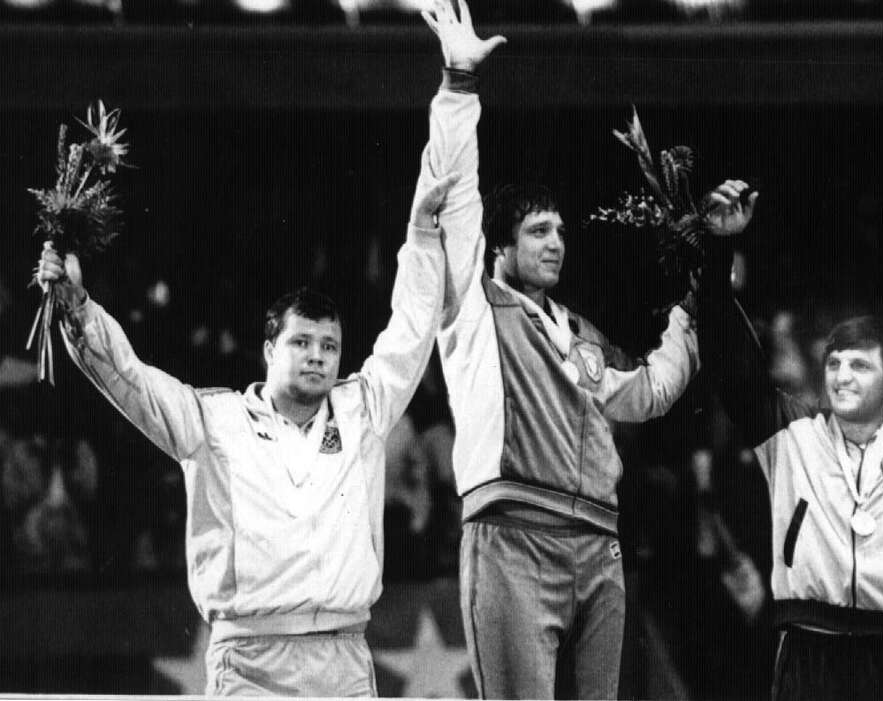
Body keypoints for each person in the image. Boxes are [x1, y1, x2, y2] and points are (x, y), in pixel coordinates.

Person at [416, 2, 748, 697]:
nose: (556, 242)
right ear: (500, 248)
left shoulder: (579, 333)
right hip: (512, 539)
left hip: (600, 545)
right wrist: (458, 89)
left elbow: (650, 391)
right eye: (537, 231)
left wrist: (698, 290)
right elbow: (454, 201)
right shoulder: (474, 312)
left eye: (561, 230)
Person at [33, 170, 459, 696]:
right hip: (248, 663)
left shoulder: (363, 412)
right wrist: (78, 309)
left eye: (329, 347)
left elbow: (411, 333)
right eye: (302, 343)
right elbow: (130, 380)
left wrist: (421, 238)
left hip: (345, 659)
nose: (317, 357)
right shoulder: (214, 422)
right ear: (269, 352)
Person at [703, 180, 883, 700]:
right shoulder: (792, 434)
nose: (842, 376)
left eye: (860, 366)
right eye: (834, 364)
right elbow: (729, 364)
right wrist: (718, 250)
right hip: (810, 651)